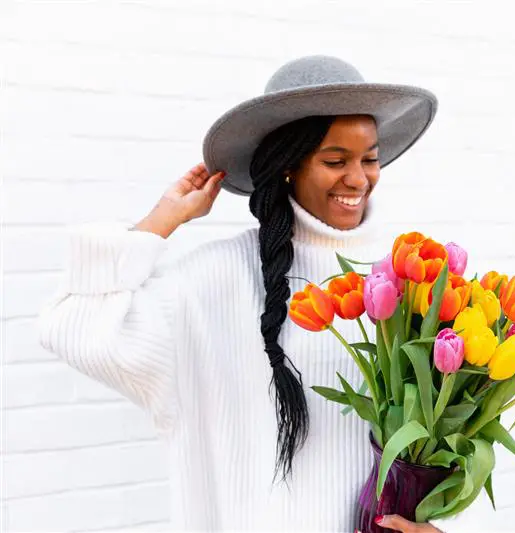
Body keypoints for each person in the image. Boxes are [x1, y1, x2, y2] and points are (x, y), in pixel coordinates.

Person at [37, 55, 475, 532]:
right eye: (335, 160)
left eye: (369, 158)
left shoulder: (412, 283)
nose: (358, 178)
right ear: (287, 166)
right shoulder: (214, 279)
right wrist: (164, 218)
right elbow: (76, 325)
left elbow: (440, 445)